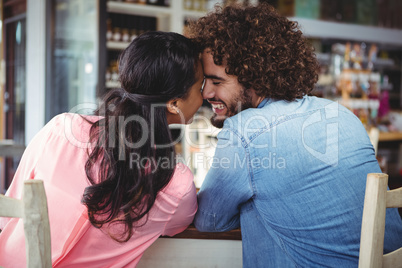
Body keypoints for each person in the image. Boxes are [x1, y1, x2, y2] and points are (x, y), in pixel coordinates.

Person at [188, 3, 402, 267]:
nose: (206, 93)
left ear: (254, 77)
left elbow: (210, 220)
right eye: (204, 82)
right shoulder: (339, 113)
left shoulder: (245, 130)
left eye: (217, 82)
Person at [0, 31, 204, 267]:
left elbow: (10, 212)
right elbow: (179, 225)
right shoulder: (174, 184)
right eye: (200, 88)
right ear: (174, 103)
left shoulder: (60, 129)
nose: (206, 95)